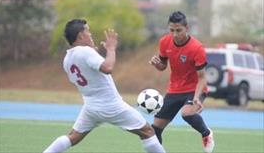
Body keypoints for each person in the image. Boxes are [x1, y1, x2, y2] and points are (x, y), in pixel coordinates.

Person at [43, 19, 166, 153]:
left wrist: (92, 51)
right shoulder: (85, 52)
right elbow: (108, 67)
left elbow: (87, 72)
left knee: (72, 137)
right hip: (111, 105)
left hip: (91, 107)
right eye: (87, 31)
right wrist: (111, 49)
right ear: (80, 36)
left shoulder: (67, 59)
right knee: (148, 132)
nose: (90, 34)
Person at [149, 11, 215, 153]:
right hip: (174, 90)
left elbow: (202, 78)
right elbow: (163, 66)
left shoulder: (197, 48)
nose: (174, 34)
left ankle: (206, 134)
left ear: (187, 28)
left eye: (178, 30)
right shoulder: (164, 42)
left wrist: (196, 97)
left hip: (195, 88)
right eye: (171, 30)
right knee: (155, 129)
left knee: (187, 113)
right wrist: (157, 64)